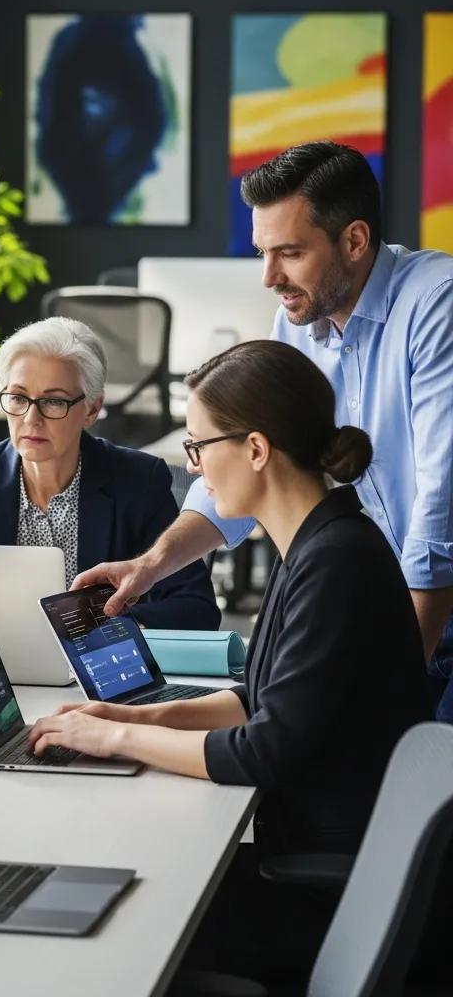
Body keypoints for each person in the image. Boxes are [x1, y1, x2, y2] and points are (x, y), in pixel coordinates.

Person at [30, 341, 432, 981]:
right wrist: (138, 719)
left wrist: (113, 737)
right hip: (315, 857)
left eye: (198, 447)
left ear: (255, 448)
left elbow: (259, 750)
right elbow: (257, 696)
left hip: (321, 891)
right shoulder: (318, 542)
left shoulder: (336, 563)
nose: (195, 473)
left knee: (110, 924)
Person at [77, 141, 453, 719]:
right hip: (384, 607)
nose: (268, 277)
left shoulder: (436, 302)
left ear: (354, 240)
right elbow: (249, 465)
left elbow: (440, 508)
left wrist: (400, 677)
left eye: (290, 253)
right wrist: (150, 567)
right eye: (261, 252)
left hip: (435, 611)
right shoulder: (296, 319)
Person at [0, 317, 219, 628]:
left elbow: (197, 608)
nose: (32, 419)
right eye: (18, 398)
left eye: (53, 402)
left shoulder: (137, 480)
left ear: (92, 409)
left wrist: (104, 624)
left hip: (97, 666)